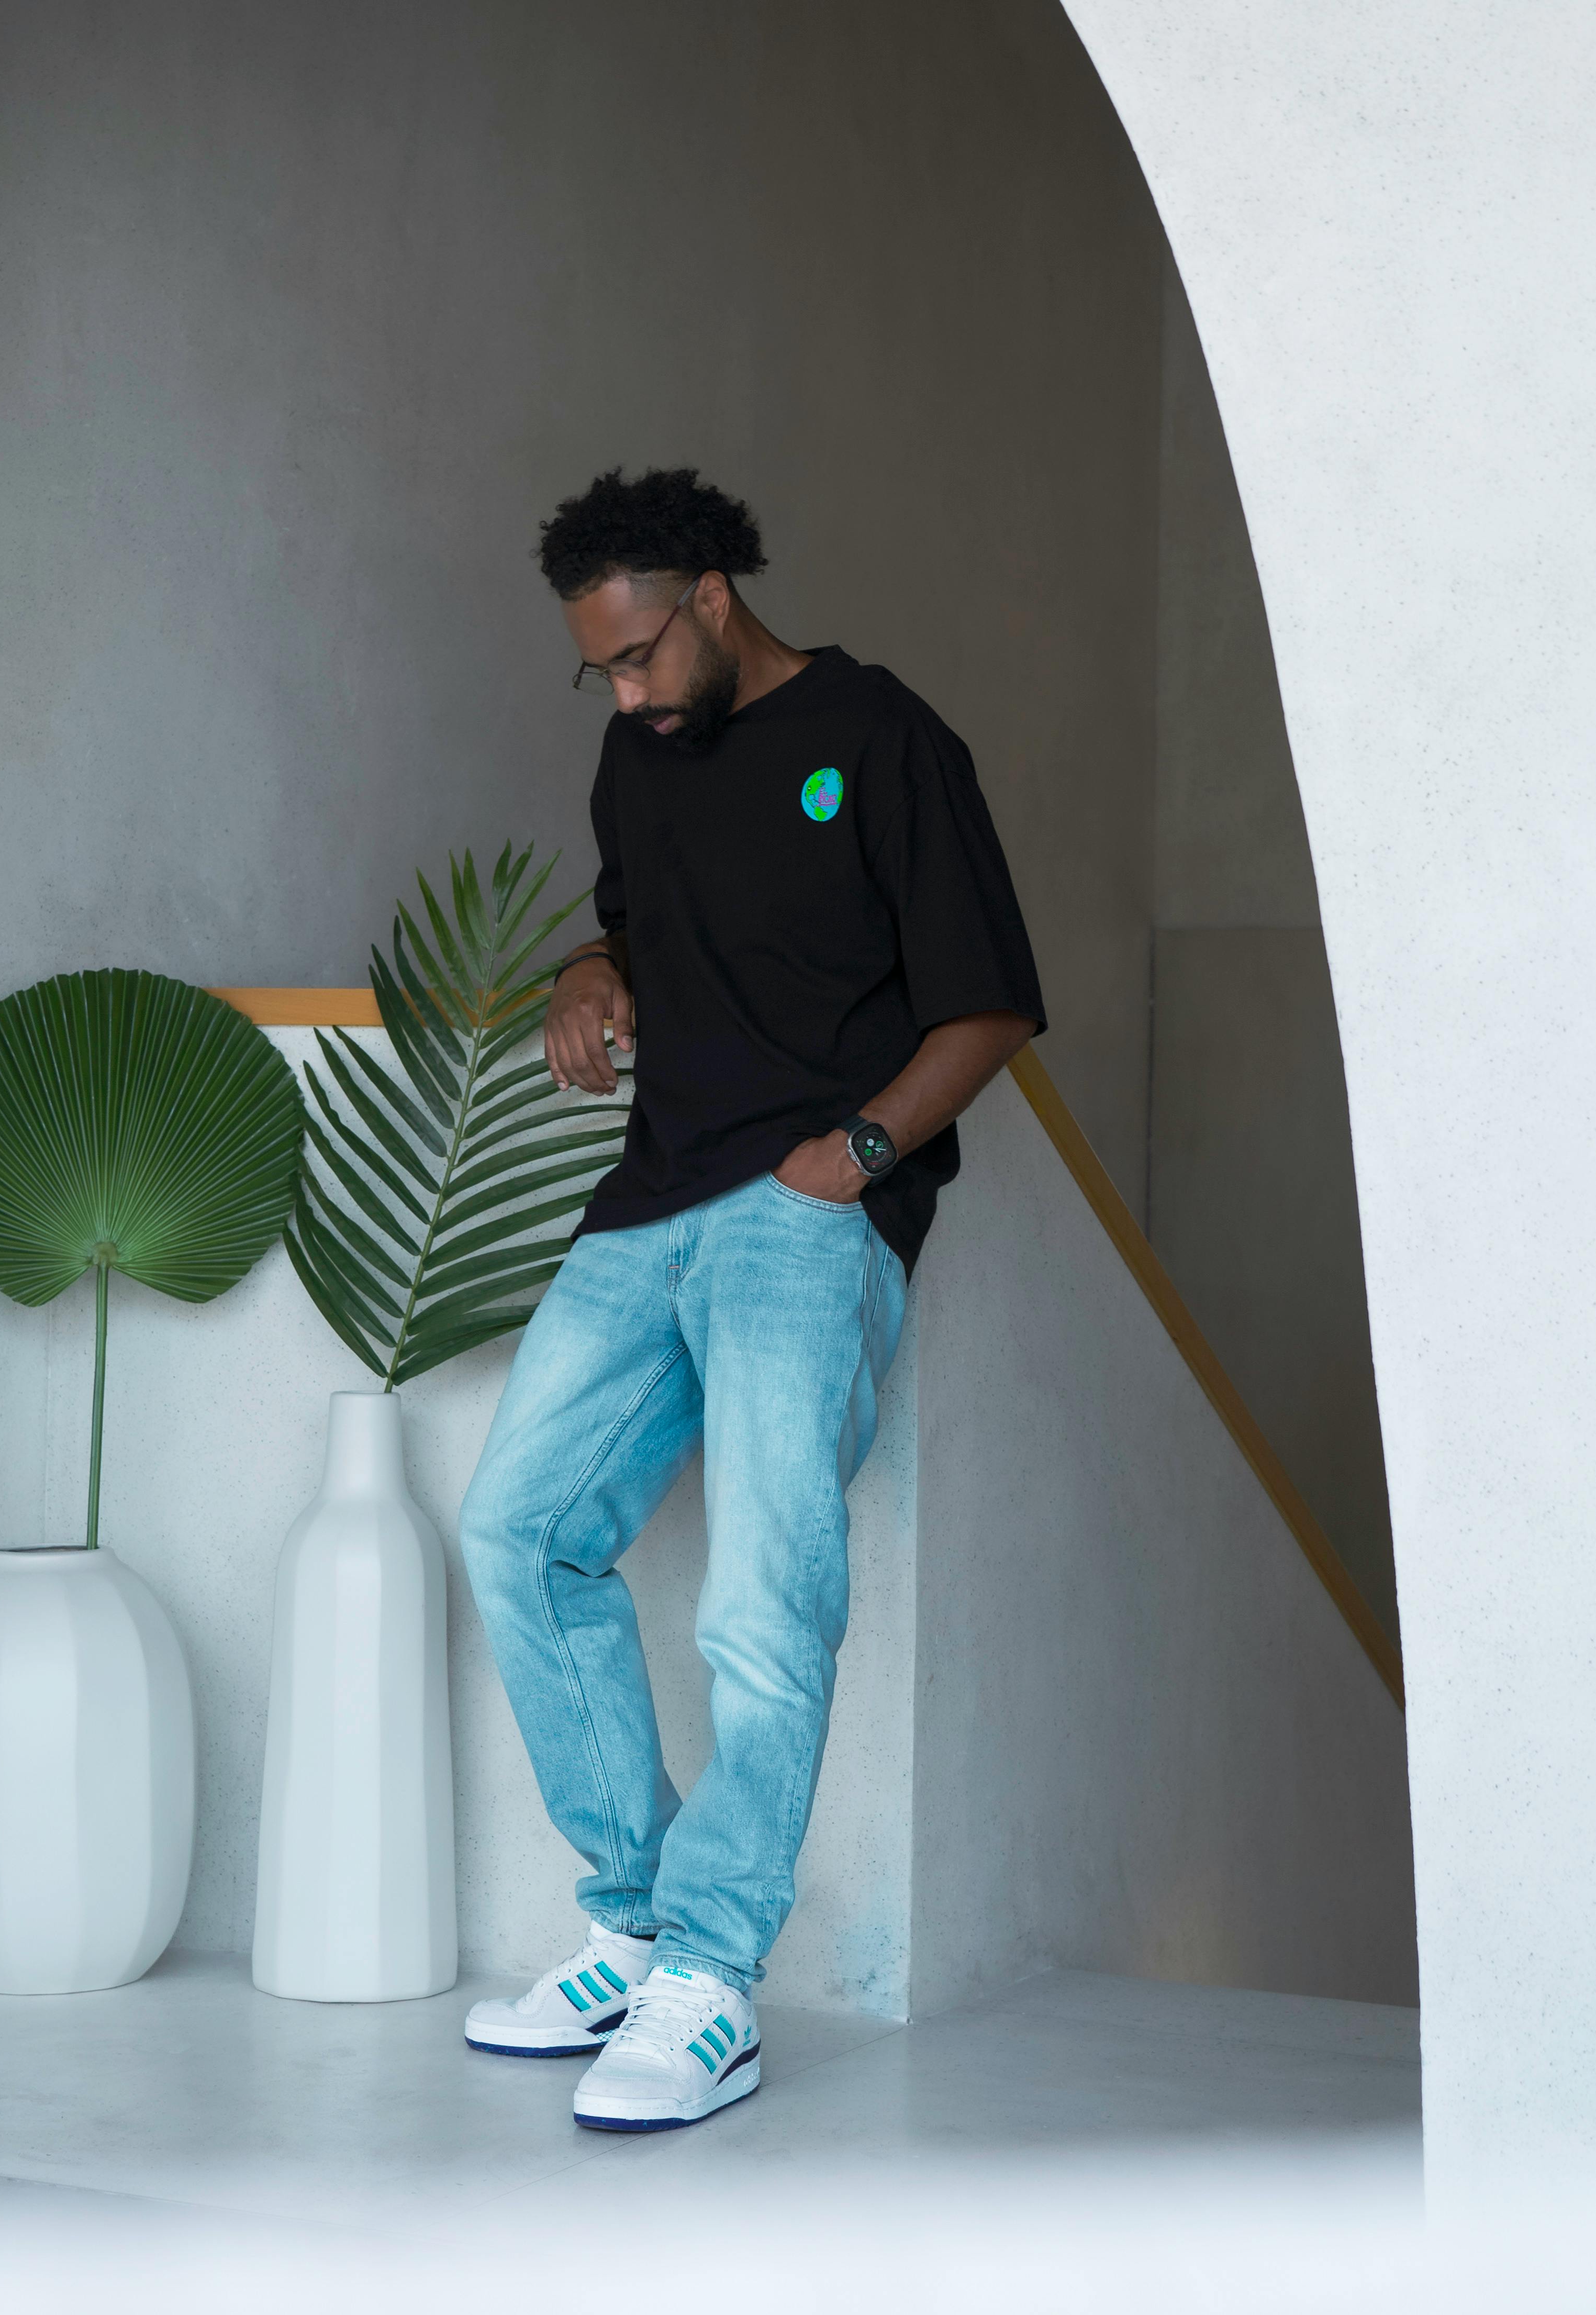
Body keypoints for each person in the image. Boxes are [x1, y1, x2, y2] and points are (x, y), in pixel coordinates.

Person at [458, 467, 1044, 2132]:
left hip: (802, 1215)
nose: (627, 694)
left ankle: (712, 1982)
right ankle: (634, 1924)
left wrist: (850, 1156)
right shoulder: (633, 759)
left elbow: (988, 1005)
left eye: (640, 655)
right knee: (519, 1528)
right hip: (647, 1206)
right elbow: (632, 930)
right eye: (601, 672)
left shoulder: (881, 737)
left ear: (714, 596)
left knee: (760, 1598)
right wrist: (587, 974)